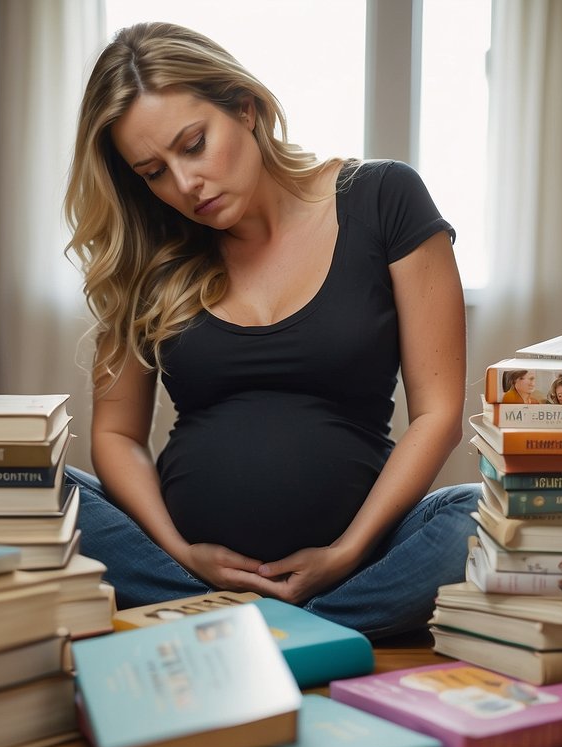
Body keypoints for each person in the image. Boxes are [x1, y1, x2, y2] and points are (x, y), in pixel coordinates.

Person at [61, 22, 479, 640]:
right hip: (184, 574)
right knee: (17, 480)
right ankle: (297, 635)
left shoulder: (382, 198)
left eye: (194, 144)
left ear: (246, 108)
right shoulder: (151, 253)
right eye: (153, 172)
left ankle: (264, 633)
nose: (184, 184)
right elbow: (116, 434)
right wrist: (180, 551)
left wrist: (345, 553)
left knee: (477, 516)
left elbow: (438, 413)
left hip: (359, 565)